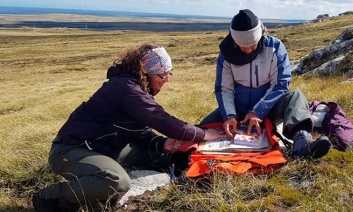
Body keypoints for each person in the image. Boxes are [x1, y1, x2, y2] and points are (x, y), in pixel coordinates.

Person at [32, 43, 226, 211]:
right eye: (163, 74)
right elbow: (162, 120)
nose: (167, 78)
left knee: (168, 156)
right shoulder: (126, 89)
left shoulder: (135, 87)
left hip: (109, 147)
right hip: (71, 150)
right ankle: (50, 198)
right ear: (146, 72)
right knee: (117, 182)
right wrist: (203, 134)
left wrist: (162, 144)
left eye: (169, 73)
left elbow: (140, 130)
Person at [200, 9, 331, 159]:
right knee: (201, 129)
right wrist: (229, 115)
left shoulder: (275, 47)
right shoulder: (226, 54)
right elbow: (224, 89)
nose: (248, 51)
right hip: (237, 110)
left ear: (261, 35)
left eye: (253, 45)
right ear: (234, 41)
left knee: (295, 96)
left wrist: (258, 112)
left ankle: (302, 142)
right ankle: (178, 153)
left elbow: (281, 84)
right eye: (243, 46)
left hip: (270, 108)